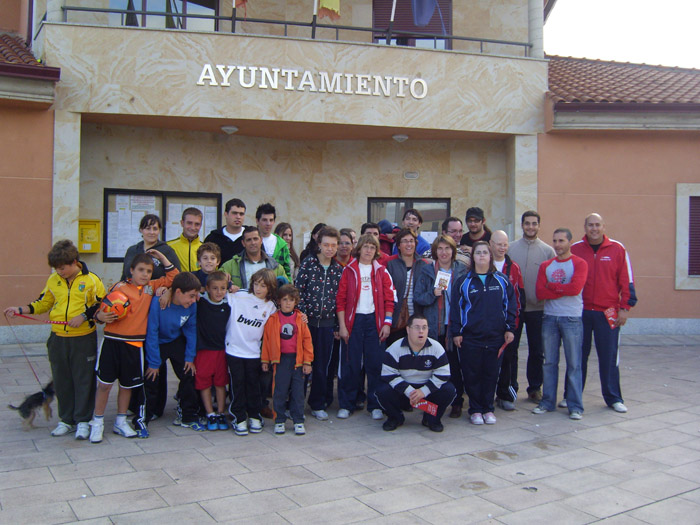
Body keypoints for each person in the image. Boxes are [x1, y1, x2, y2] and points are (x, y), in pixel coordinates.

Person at [4, 240, 106, 440]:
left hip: (83, 338)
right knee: (61, 381)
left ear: (74, 262)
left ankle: (83, 421)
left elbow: (102, 303)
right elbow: (43, 303)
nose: (60, 272)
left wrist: (84, 316)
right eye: (56, 269)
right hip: (58, 338)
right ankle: (66, 420)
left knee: (83, 380)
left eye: (62, 268)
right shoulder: (53, 280)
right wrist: (20, 309)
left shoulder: (92, 280)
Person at [89, 250, 178, 443]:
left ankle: (121, 421)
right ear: (131, 270)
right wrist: (99, 316)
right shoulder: (118, 288)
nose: (145, 274)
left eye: (149, 270)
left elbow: (174, 277)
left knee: (127, 386)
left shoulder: (151, 288)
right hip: (112, 342)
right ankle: (97, 421)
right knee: (104, 384)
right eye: (141, 270)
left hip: (134, 345)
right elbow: (101, 310)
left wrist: (162, 259)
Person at [571, 213, 637, 413]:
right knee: (577, 357)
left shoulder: (617, 249)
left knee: (609, 357)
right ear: (584, 226)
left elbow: (627, 281)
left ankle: (613, 398)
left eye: (597, 225)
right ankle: (572, 396)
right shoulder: (575, 249)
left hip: (607, 312)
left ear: (603, 227)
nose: (594, 228)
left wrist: (625, 308)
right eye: (590, 225)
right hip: (580, 311)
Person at [451, 241, 516, 425]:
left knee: (491, 374)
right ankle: (475, 409)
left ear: (490, 256)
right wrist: (456, 332)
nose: (481, 256)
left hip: (496, 337)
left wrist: (510, 328)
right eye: (478, 253)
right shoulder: (463, 282)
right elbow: (456, 309)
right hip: (470, 337)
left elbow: (511, 306)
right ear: (473, 257)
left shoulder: (501, 280)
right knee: (472, 374)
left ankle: (488, 408)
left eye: (485, 253)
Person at [134, 272, 202, 438]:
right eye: (191, 296)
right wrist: (154, 362)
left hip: (175, 340)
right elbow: (152, 332)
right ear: (178, 292)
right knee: (152, 377)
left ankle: (187, 415)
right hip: (157, 341)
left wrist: (189, 357)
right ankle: (143, 419)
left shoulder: (192, 305)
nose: (194, 299)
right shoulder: (159, 303)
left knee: (188, 373)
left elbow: (191, 330)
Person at [336, 234, 395, 420]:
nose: (369, 250)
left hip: (374, 322)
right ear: (359, 249)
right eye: (366, 246)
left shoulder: (382, 271)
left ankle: (375, 404)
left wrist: (387, 323)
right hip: (354, 322)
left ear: (376, 251)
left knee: (375, 365)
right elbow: (341, 301)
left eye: (372, 247)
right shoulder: (349, 270)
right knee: (350, 364)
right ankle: (347, 404)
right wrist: (343, 326)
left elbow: (389, 300)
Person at [532, 228, 588, 420]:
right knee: (549, 363)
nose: (557, 245)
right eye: (555, 241)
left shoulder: (579, 264)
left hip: (571, 318)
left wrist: (553, 287)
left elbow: (575, 288)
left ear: (570, 242)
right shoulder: (546, 265)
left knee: (574, 364)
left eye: (561, 240)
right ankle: (547, 402)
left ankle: (575, 406)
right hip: (550, 317)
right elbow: (540, 293)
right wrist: (560, 289)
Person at [414, 234, 468, 418]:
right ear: (435, 252)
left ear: (453, 251)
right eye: (440, 249)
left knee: (454, 367)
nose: (444, 252)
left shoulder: (462, 270)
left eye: (447, 248)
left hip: (454, 326)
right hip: (433, 326)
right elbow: (418, 297)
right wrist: (433, 293)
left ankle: (456, 401)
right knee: (431, 368)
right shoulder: (427, 270)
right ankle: (430, 405)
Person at [295, 227, 343, 421]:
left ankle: (317, 403)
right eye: (326, 245)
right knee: (303, 365)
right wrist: (304, 315)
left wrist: (338, 326)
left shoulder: (338, 269)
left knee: (322, 366)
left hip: (327, 325)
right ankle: (297, 404)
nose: (330, 249)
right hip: (307, 324)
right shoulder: (308, 264)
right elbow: (299, 291)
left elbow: (341, 300)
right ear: (319, 245)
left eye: (333, 245)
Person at [376, 314, 456, 432]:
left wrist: (423, 391)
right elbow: (389, 374)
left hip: (427, 390)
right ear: (408, 329)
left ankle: (431, 419)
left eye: (424, 327)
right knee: (382, 391)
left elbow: (443, 375)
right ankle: (396, 418)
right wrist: (410, 392)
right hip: (403, 390)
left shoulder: (437, 348)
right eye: (417, 327)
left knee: (449, 390)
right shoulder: (394, 348)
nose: (421, 331)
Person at [508, 210, 556, 403]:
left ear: (539, 225)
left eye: (534, 223)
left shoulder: (547, 251)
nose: (530, 227)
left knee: (537, 351)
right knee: (511, 350)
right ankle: (510, 387)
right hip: (515, 310)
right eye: (527, 223)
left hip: (539, 309)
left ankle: (535, 387)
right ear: (522, 225)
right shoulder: (511, 249)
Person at [225, 268, 278, 436]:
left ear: (270, 288)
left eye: (263, 286)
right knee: (237, 384)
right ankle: (239, 417)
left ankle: (254, 415)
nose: (258, 289)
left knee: (254, 385)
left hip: (254, 353)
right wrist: (228, 286)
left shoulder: (270, 307)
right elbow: (218, 295)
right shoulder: (239, 296)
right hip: (234, 350)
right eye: (256, 284)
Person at [262, 284, 314, 436]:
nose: (287, 303)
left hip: (297, 361)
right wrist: (265, 360)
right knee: (279, 390)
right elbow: (267, 341)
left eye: (291, 300)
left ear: (296, 302)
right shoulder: (273, 319)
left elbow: (307, 341)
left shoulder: (300, 319)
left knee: (298, 392)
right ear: (279, 301)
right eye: (284, 300)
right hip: (280, 360)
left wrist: (307, 362)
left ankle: (298, 420)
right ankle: (279, 420)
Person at [490, 230, 525, 411]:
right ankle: (486, 395)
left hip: (509, 325)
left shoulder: (514, 268)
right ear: (490, 244)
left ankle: (505, 395)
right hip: (487, 324)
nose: (502, 247)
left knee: (508, 360)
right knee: (488, 361)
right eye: (498, 244)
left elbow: (519, 298)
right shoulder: (482, 265)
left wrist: (514, 324)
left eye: (505, 244)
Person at [193, 271, 231, 431]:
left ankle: (221, 412)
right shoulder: (200, 302)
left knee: (221, 383)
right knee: (204, 382)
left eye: (222, 288)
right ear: (207, 288)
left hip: (222, 350)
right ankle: (210, 413)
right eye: (215, 288)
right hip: (204, 351)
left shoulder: (229, 304)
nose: (219, 292)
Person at [386, 228, 427, 346]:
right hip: (396, 318)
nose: (409, 244)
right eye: (405, 241)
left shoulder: (423, 264)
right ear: (398, 245)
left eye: (411, 241)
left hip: (417, 317)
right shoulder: (391, 264)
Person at [220, 226, 288, 289]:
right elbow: (216, 281)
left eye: (255, 239)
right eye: (249, 240)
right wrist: (228, 284)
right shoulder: (231, 265)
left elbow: (286, 289)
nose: (253, 243)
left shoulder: (275, 266)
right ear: (243, 243)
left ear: (261, 240)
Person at [122, 214, 180, 280]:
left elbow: (177, 277)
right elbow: (124, 276)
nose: (152, 232)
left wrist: (168, 289)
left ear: (159, 231)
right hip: (131, 289)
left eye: (155, 229)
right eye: (148, 228)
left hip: (156, 289)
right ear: (141, 230)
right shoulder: (132, 250)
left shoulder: (167, 251)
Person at [204, 198, 246, 265]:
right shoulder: (213, 238)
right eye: (234, 213)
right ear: (226, 214)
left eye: (241, 214)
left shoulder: (251, 237)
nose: (238, 217)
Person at [255, 203, 291, 278]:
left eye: (271, 220)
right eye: (264, 220)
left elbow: (287, 271)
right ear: (257, 221)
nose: (268, 223)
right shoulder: (251, 242)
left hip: (276, 286)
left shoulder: (282, 244)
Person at [167, 207, 203, 272]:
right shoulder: (169, 246)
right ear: (182, 223)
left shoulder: (205, 247)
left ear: (200, 225)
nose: (193, 227)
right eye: (189, 223)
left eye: (197, 224)